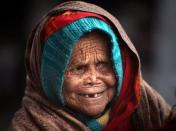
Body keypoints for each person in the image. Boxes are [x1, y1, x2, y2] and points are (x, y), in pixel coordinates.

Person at [9, 1, 174, 131]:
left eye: (103, 65)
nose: (93, 79)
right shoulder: (28, 126)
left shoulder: (143, 105)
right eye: (79, 68)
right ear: (50, 76)